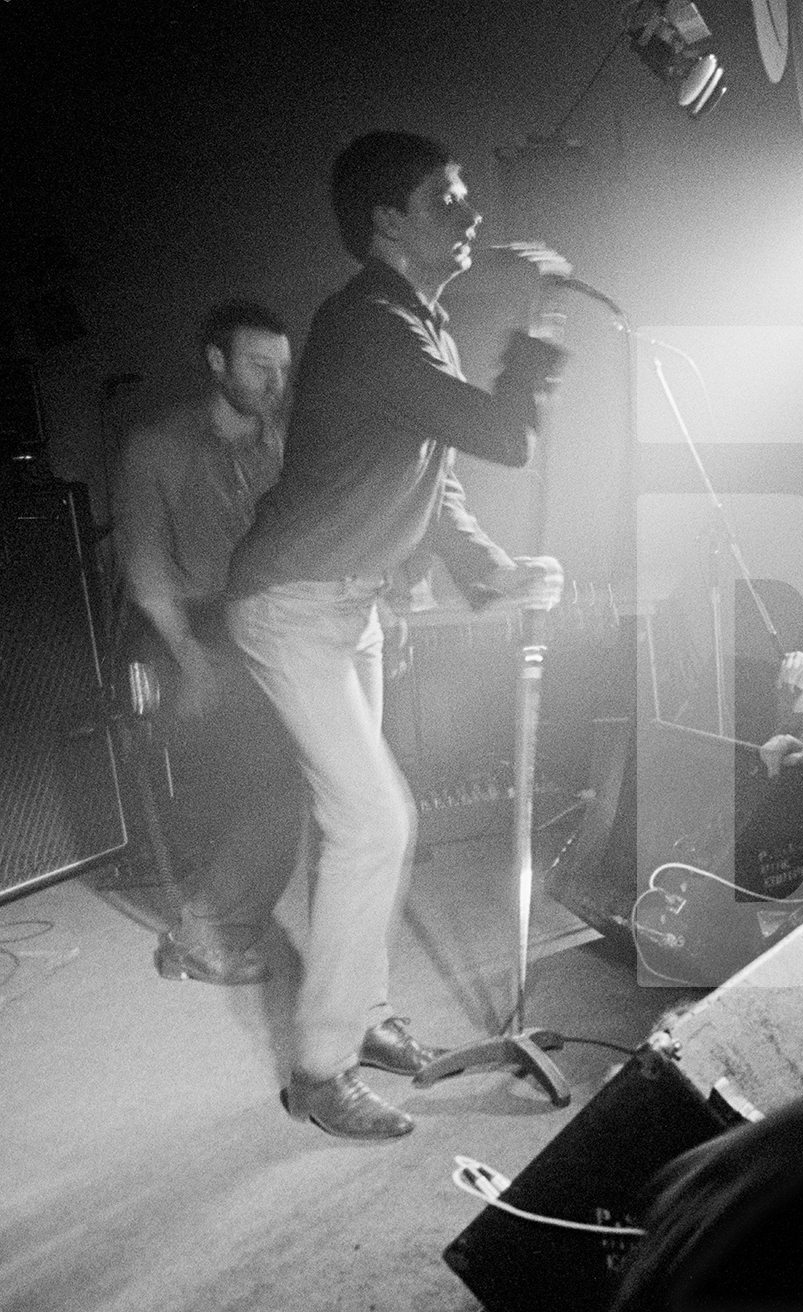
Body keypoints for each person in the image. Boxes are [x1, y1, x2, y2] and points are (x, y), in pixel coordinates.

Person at [224, 131, 570, 1140]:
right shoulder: (371, 324)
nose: (470, 215)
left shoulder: (415, 325)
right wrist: (541, 320)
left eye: (466, 197)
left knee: (353, 829)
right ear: (387, 219)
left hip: (349, 602)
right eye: (447, 198)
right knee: (377, 820)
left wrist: (489, 568)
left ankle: (366, 1018)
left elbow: (441, 481)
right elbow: (504, 436)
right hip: (291, 602)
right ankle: (319, 1070)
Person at [112, 300, 304, 986]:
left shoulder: (279, 444)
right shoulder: (156, 445)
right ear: (216, 362)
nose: (273, 383)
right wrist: (190, 659)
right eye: (258, 366)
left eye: (282, 369)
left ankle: (213, 921)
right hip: (189, 630)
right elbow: (147, 569)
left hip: (265, 622)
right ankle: (202, 934)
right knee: (275, 780)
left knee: (288, 777)